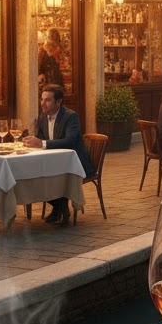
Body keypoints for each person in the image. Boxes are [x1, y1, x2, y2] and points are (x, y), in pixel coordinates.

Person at [22, 84, 96, 224]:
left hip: (75, 164)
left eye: (48, 100)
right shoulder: (42, 117)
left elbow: (69, 141)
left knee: (53, 176)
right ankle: (59, 207)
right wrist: (29, 140)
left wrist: (41, 143)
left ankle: (60, 208)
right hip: (53, 162)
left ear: (59, 101)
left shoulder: (70, 116)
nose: (43, 103)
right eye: (42, 99)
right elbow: (38, 137)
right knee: (33, 176)